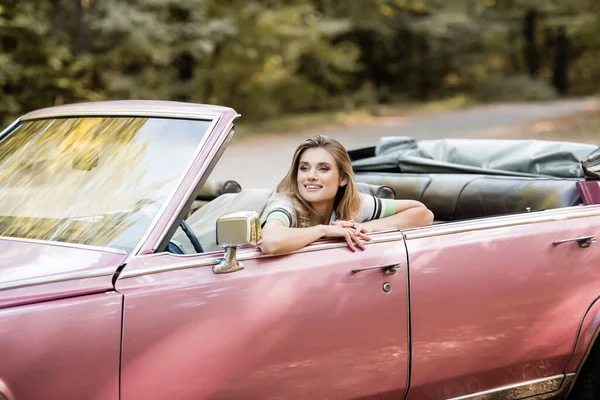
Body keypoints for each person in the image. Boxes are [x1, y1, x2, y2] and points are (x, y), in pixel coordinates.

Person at [259, 135, 433, 255]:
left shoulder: (354, 203)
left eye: (323, 168)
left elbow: (423, 214)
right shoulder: (285, 204)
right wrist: (324, 230)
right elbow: (270, 242)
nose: (310, 175)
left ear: (342, 178)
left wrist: (368, 227)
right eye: (304, 168)